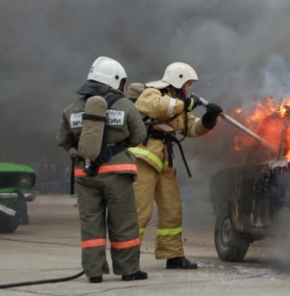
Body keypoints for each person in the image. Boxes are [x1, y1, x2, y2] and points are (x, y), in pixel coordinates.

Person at [56, 56, 148, 283]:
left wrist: (79, 153)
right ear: (115, 80)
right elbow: (139, 137)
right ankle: (128, 271)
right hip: (117, 172)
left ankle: (94, 272)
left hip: (84, 174)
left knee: (90, 224)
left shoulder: (72, 109)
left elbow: (62, 140)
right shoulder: (125, 105)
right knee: (123, 222)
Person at [129, 62, 222, 269]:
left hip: (164, 161)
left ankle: (173, 256)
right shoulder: (152, 92)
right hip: (144, 157)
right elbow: (157, 107)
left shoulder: (180, 103)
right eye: (188, 83)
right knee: (140, 210)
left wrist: (209, 119)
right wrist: (186, 103)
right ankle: (128, 259)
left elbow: (191, 129)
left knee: (172, 209)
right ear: (178, 80)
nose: (190, 87)